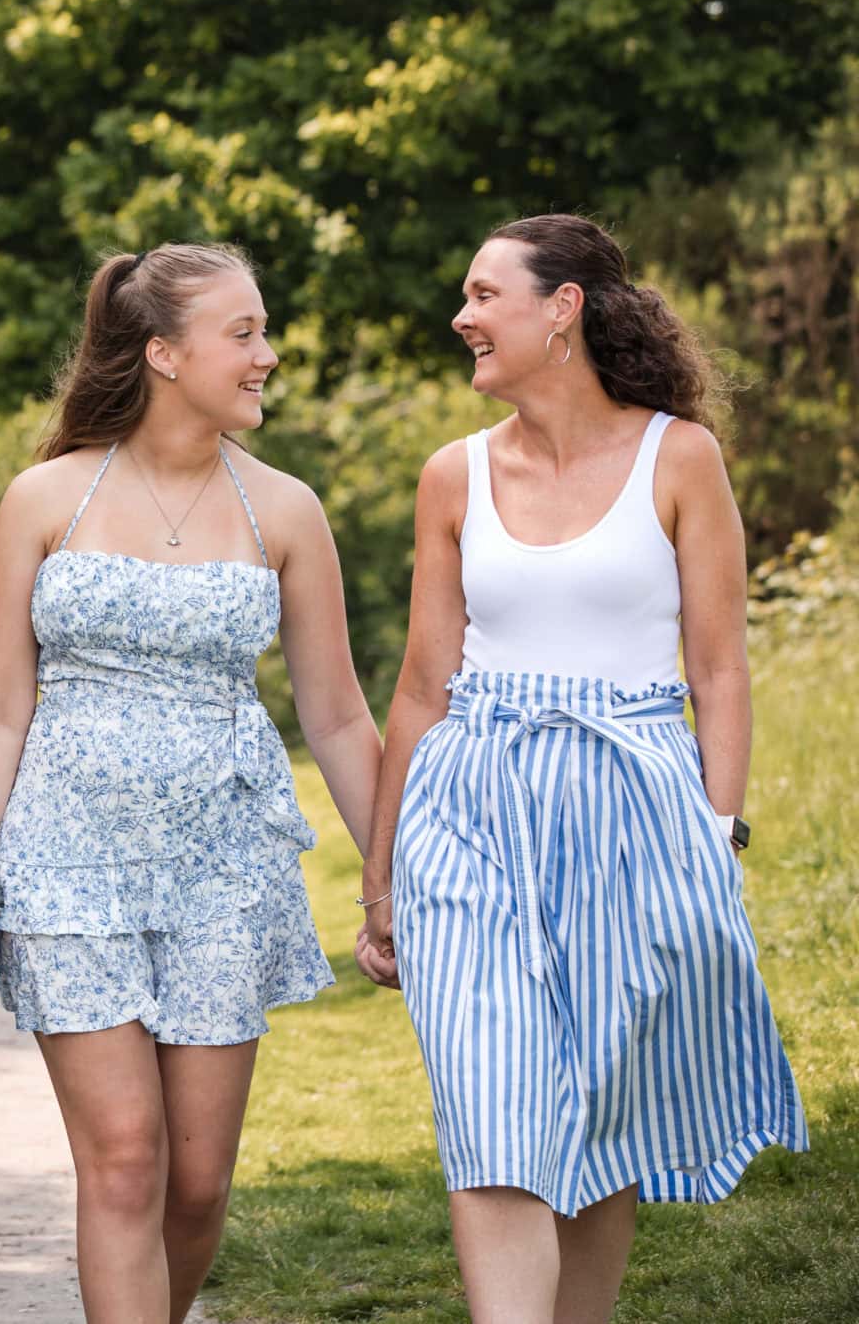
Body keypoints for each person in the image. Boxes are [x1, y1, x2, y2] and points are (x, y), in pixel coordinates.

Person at [357, 213, 806, 1323]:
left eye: (482, 295)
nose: (460, 316)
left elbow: (719, 668)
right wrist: (381, 878)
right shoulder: (450, 477)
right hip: (472, 804)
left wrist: (716, 830)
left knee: (602, 1109)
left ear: (562, 308)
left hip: (633, 806)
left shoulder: (678, 457)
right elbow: (420, 688)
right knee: (489, 1101)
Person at [0, 243, 381, 1323]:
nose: (266, 355)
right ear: (162, 353)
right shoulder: (43, 496)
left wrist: (388, 870)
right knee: (122, 1159)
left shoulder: (284, 510)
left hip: (223, 871)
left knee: (194, 1187)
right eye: (242, 334)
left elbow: (335, 715)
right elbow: (0, 706)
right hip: (66, 859)